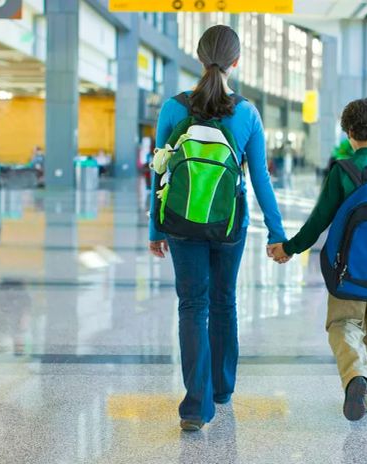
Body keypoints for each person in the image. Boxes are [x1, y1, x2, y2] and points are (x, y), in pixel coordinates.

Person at [148, 25, 286, 432]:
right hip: (229, 225)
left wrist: (155, 228)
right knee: (224, 301)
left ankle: (196, 405)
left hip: (180, 222)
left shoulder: (173, 108)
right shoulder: (246, 112)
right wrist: (277, 233)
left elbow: (158, 173)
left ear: (197, 56)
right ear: (236, 62)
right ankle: (222, 388)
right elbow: (260, 178)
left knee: (192, 305)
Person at [269, 98, 367, 421]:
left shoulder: (343, 171)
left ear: (349, 131)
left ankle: (355, 377)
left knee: (342, 324)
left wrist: (289, 248)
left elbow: (319, 220)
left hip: (348, 271)